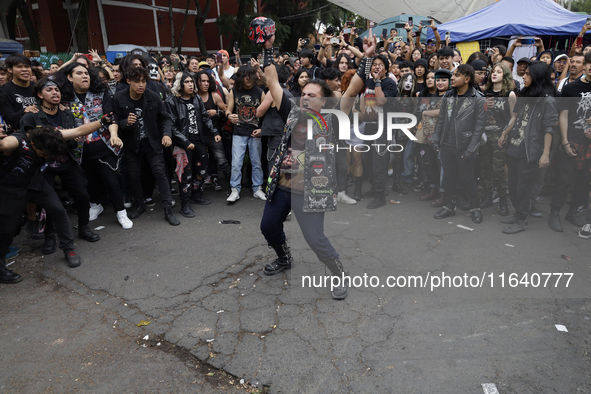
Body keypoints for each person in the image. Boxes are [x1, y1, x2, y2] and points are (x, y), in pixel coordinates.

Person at [256, 23, 349, 300]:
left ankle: (337, 273)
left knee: (315, 239)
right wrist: (267, 47)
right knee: (267, 226)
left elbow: (350, 92)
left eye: (313, 96)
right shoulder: (293, 112)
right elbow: (272, 81)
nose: (306, 98)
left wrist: (366, 63)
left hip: (311, 189)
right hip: (283, 184)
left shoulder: (330, 119)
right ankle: (284, 257)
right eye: (304, 94)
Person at [1, 118, 114, 282]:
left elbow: (79, 131)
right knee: (7, 228)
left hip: (37, 184)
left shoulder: (50, 136)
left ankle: (69, 248)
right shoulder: (16, 141)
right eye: (44, 154)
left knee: (59, 211)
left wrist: (103, 121)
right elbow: (6, 144)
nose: (47, 157)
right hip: (11, 190)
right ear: (33, 145)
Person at [20, 77, 105, 253]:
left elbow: (74, 141)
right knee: (48, 203)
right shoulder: (31, 116)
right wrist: (62, 138)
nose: (55, 93)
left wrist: (59, 139)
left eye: (57, 90)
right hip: (43, 166)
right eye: (49, 90)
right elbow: (30, 145)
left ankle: (83, 228)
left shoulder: (66, 113)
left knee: (82, 195)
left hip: (67, 161)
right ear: (39, 94)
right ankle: (49, 237)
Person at [53, 63, 132, 230]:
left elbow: (110, 117)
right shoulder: (63, 97)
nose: (85, 76)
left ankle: (120, 211)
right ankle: (96, 205)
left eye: (87, 73)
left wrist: (115, 135)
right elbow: (46, 84)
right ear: (69, 77)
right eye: (79, 73)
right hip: (78, 150)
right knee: (90, 182)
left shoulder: (101, 92)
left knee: (112, 181)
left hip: (104, 146)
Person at [112, 66, 180, 226]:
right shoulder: (119, 98)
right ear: (128, 81)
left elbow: (166, 118)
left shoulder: (153, 97)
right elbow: (114, 121)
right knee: (134, 175)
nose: (141, 85)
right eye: (137, 81)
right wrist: (125, 123)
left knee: (160, 172)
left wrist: (166, 134)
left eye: (144, 81)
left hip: (153, 143)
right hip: (132, 145)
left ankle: (168, 210)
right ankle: (140, 204)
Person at [498, 61, 557, 234]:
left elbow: (549, 129)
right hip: (515, 146)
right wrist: (504, 133)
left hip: (530, 150)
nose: (523, 76)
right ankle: (518, 213)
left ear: (537, 76)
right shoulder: (523, 94)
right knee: (514, 184)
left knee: (523, 187)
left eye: (528, 74)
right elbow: (514, 118)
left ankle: (521, 219)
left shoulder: (548, 101)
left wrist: (545, 153)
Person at [431, 64, 486, 224]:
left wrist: (471, 149)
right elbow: (441, 120)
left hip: (465, 146)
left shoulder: (478, 99)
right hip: (446, 145)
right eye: (453, 75)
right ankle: (449, 207)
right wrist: (435, 139)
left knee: (468, 179)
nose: (452, 78)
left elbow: (479, 128)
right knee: (448, 178)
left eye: (456, 75)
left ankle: (475, 208)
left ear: (467, 79)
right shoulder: (448, 95)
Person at [548, 52, 591, 232]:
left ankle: (572, 211)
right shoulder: (571, 88)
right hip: (572, 139)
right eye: (589, 63)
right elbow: (563, 115)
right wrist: (565, 141)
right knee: (563, 179)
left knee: (583, 181)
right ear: (585, 66)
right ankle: (554, 213)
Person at [166, 72, 217, 217]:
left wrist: (214, 132)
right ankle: (185, 204)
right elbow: (172, 126)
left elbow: (205, 117)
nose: (190, 84)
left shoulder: (197, 99)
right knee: (185, 174)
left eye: (191, 82)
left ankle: (196, 194)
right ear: (180, 84)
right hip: (183, 143)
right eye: (187, 82)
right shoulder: (172, 101)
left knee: (201, 169)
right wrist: (185, 142)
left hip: (199, 140)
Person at [225, 64, 266, 202]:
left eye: (250, 75)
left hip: (255, 132)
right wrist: (229, 116)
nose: (247, 78)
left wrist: (262, 129)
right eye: (244, 76)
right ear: (240, 77)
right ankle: (235, 189)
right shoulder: (234, 91)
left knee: (256, 162)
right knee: (236, 163)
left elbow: (268, 114)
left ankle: (257, 188)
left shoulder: (260, 92)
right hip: (239, 132)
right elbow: (228, 110)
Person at [480, 63, 516, 215]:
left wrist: (505, 133)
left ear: (505, 75)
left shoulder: (510, 94)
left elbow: (514, 117)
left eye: (499, 72)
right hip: (484, 136)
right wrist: (483, 106)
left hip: (500, 136)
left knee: (498, 170)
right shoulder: (484, 92)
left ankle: (502, 200)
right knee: (484, 167)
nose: (494, 74)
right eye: (493, 71)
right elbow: (479, 115)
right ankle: (488, 196)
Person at [195, 69, 231, 190]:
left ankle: (233, 186)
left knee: (222, 161)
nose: (205, 84)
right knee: (198, 162)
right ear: (197, 82)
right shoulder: (193, 97)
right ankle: (197, 190)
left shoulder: (214, 96)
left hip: (214, 134)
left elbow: (227, 112)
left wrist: (217, 112)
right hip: (197, 135)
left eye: (207, 81)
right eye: (202, 81)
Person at [0, 54, 37, 132]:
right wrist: (25, 110)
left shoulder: (39, 87)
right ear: (10, 70)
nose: (24, 69)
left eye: (27, 67)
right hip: (20, 134)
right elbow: (9, 120)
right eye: (19, 67)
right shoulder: (3, 91)